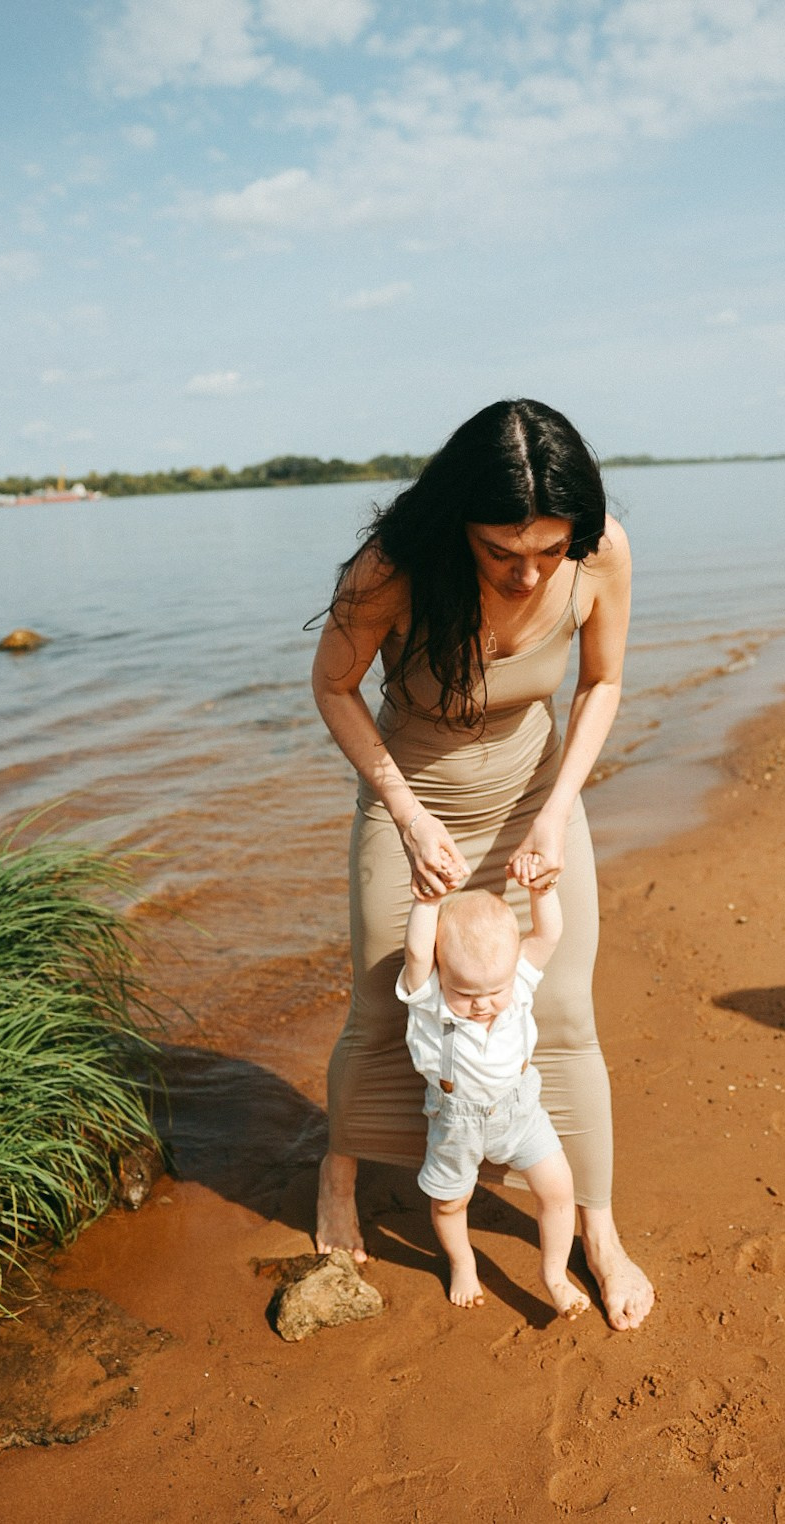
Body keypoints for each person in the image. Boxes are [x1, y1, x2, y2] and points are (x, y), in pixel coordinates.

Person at [312, 397, 654, 1331]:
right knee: (387, 1000)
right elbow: (332, 687)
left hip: (534, 800)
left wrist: (556, 811)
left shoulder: (599, 551)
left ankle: (597, 1221)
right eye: (505, 550)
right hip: (413, 796)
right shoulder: (394, 568)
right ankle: (340, 1172)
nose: (528, 569)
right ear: (459, 516)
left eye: (548, 549)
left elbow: (603, 681)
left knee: (565, 1007)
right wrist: (407, 814)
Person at [399, 878, 590, 1318]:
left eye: (494, 992)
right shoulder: (429, 998)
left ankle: (554, 1274)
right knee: (450, 1202)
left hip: (520, 1110)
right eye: (466, 993)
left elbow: (548, 934)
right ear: (439, 970)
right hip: (456, 1121)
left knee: (559, 1190)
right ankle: (463, 1262)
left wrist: (542, 892)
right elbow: (414, 952)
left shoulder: (517, 980)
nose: (483, 1004)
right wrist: (426, 902)